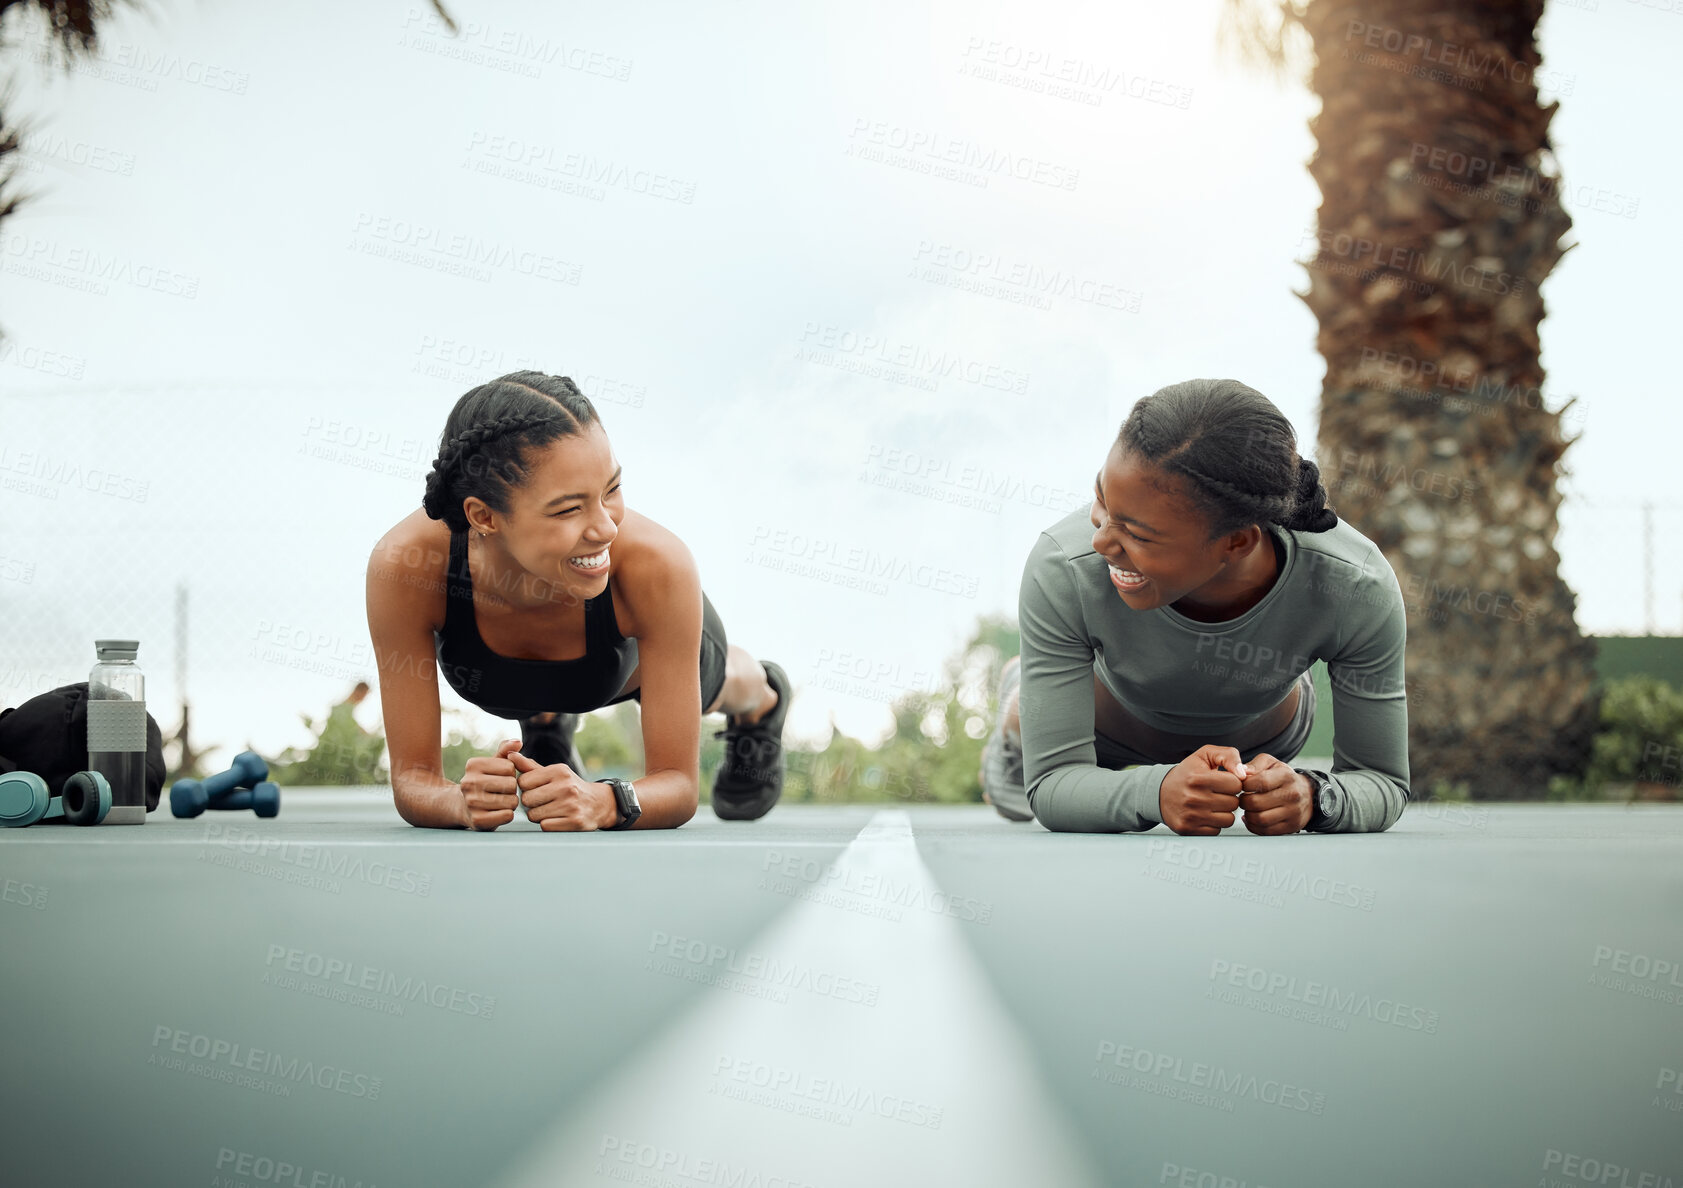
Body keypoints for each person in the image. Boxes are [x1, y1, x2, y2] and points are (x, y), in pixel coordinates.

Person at [980, 378, 1409, 836]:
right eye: (1101, 499)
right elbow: (1053, 785)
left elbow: (1382, 781)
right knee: (1028, 758)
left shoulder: (1356, 584)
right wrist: (1155, 792)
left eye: (1140, 535)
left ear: (1238, 541)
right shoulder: (1063, 567)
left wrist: (1313, 795)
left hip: (1264, 734)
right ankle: (1022, 701)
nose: (1100, 541)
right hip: (1106, 729)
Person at [365, 371, 791, 831]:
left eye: (612, 489)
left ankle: (763, 699)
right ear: (483, 515)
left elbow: (678, 787)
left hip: (631, 670)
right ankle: (547, 724)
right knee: (516, 677)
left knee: (721, 680)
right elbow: (414, 780)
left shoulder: (658, 565)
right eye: (569, 508)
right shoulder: (407, 566)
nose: (607, 528)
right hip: (510, 679)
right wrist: (455, 803)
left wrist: (607, 801)